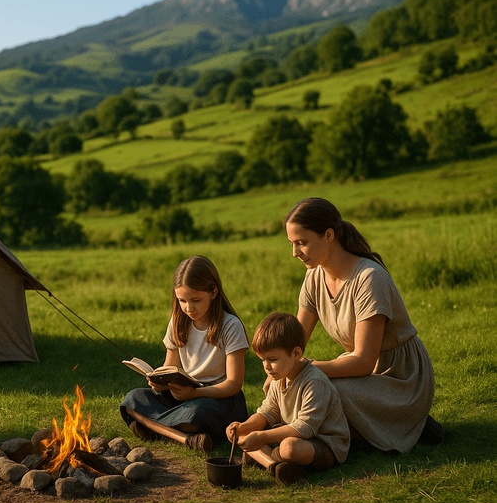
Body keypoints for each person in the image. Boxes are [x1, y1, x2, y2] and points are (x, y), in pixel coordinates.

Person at [281, 197, 443, 453]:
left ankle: (407, 423)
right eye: (292, 244)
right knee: (303, 388)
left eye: (302, 243)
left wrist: (303, 369)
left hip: (398, 377)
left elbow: (365, 360)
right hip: (360, 371)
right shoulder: (314, 276)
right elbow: (295, 340)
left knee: (321, 387)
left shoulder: (369, 278)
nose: (295, 252)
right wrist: (279, 367)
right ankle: (368, 432)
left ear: (329, 235)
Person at [120, 256, 249, 453]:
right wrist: (159, 381)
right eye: (182, 301)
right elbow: (171, 366)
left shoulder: (230, 325)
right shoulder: (178, 322)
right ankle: (185, 437)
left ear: (213, 292)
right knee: (132, 400)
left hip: (218, 399)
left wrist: (196, 393)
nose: (189, 308)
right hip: (185, 396)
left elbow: (234, 383)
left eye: (196, 300)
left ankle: (154, 428)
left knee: (197, 414)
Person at [227, 312, 350, 485]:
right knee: (246, 437)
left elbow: (304, 429)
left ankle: (267, 458)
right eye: (263, 360)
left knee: (289, 448)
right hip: (290, 435)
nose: (267, 367)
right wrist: (243, 427)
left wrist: (261, 438)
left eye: (272, 359)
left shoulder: (315, 381)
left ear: (296, 353)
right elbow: (267, 412)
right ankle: (278, 466)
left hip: (323, 443)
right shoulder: (280, 376)